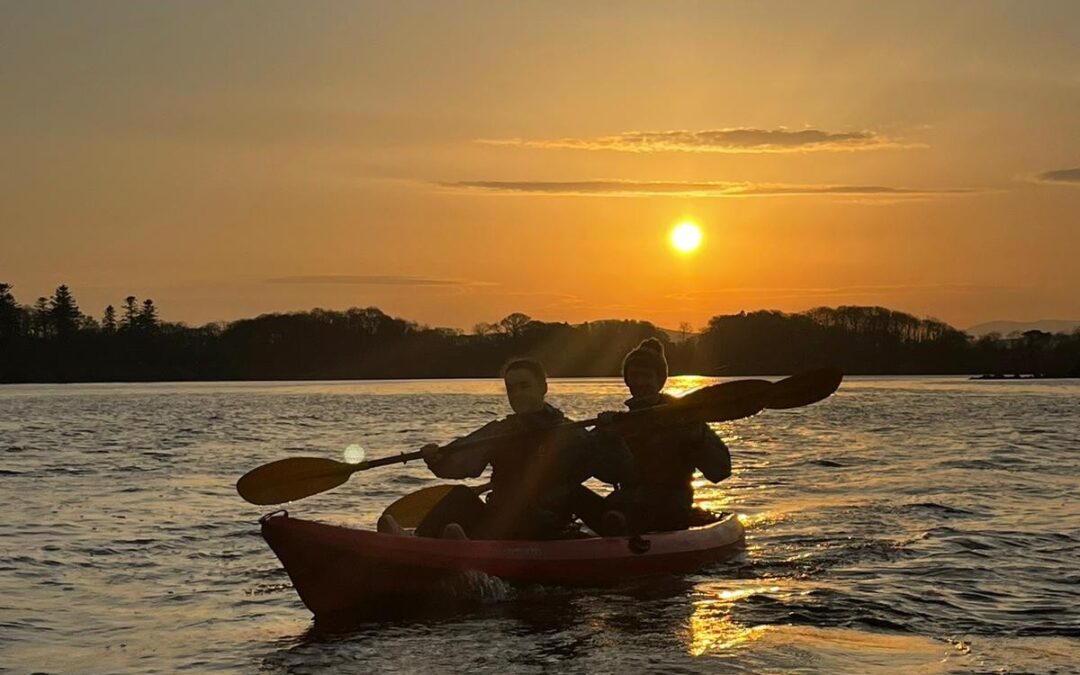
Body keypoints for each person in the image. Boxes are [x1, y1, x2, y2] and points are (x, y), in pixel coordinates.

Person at [402, 357, 631, 540]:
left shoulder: (571, 434)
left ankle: (464, 545)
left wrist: (611, 438)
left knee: (529, 510)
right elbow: (460, 462)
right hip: (500, 519)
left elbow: (617, 471)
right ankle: (416, 541)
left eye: (524, 386)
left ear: (542, 387)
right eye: (512, 389)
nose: (518, 394)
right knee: (461, 495)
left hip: (543, 524)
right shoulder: (500, 431)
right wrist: (436, 458)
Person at [600, 338, 731, 533]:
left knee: (629, 512)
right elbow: (605, 474)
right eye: (635, 376)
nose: (640, 383)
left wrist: (696, 437)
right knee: (572, 495)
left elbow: (720, 472)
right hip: (624, 502)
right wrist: (605, 438)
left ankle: (621, 523)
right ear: (627, 380)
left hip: (670, 505)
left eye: (647, 377)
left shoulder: (684, 418)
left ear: (659, 381)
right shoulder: (619, 423)